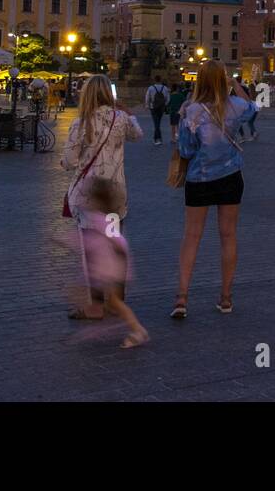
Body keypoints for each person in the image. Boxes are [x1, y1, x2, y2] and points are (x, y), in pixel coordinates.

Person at [172, 63, 257, 318]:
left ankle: (182, 298)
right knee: (228, 236)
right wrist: (235, 85)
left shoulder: (191, 110)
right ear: (222, 81)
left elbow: (185, 150)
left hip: (199, 179)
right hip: (230, 177)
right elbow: (253, 110)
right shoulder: (234, 106)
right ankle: (226, 298)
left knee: (191, 237)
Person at [62, 75, 143, 320]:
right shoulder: (120, 120)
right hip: (114, 194)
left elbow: (69, 162)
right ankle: (116, 301)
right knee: (114, 245)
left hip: (88, 196)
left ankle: (95, 305)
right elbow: (138, 135)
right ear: (109, 93)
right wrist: (128, 113)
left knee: (93, 250)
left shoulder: (81, 123)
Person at [76, 178, 148, 349]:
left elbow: (116, 241)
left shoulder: (102, 220)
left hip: (112, 269)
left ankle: (138, 330)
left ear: (98, 200)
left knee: (115, 302)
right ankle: (134, 328)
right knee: (113, 302)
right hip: (111, 268)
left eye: (91, 199)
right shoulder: (107, 218)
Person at [144, 75, 169, 145]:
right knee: (158, 122)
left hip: (153, 107)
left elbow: (147, 97)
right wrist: (165, 105)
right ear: (161, 80)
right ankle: (158, 138)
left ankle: (157, 139)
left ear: (154, 80)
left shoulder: (151, 88)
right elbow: (168, 98)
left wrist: (147, 105)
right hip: (161, 107)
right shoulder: (165, 88)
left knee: (156, 123)